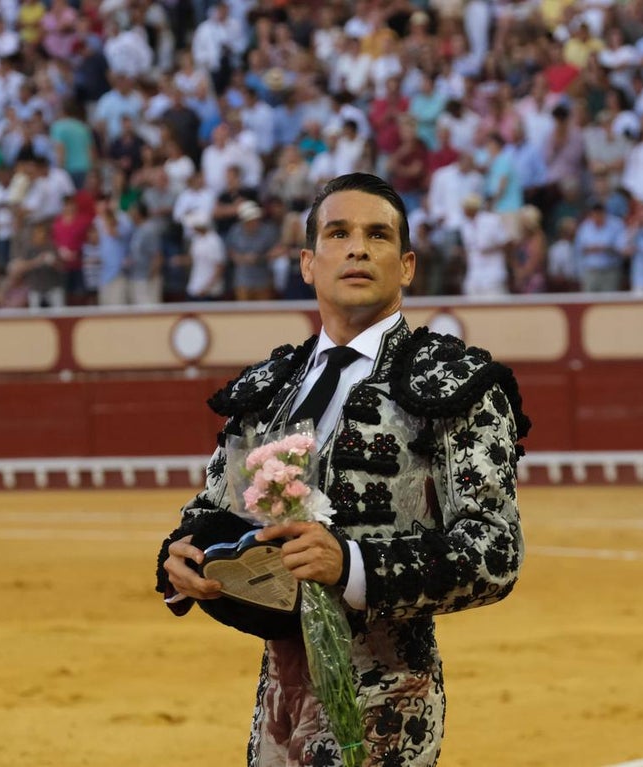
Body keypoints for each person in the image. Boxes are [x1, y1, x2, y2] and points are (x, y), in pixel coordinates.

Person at [155, 173, 527, 766]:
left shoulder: (454, 384)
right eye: (339, 233)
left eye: (377, 235)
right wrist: (181, 555)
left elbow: (495, 552)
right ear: (308, 263)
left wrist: (350, 566)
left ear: (406, 266)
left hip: (389, 702)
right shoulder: (268, 388)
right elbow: (213, 512)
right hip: (278, 701)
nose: (357, 248)